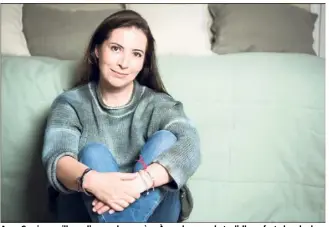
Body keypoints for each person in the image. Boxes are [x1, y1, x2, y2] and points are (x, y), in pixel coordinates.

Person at [42, 9, 201, 223]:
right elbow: (57, 158)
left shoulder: (159, 104)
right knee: (94, 154)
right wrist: (95, 181)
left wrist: (141, 182)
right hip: (83, 211)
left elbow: (190, 145)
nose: (124, 63)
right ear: (97, 50)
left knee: (167, 140)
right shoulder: (70, 103)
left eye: (136, 54)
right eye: (116, 48)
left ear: (144, 61)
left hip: (157, 209)